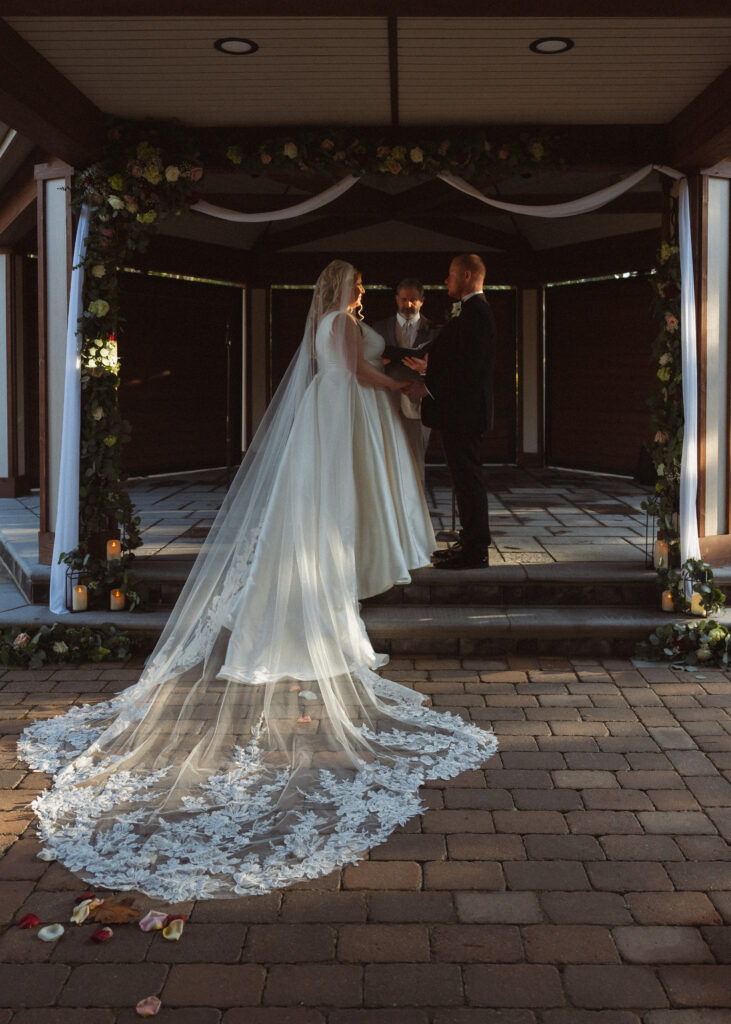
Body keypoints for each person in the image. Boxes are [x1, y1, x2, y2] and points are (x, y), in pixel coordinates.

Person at [19, 260, 496, 901]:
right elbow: (358, 373)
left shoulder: (334, 321)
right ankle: (333, 578)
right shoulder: (344, 324)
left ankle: (333, 567)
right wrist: (402, 389)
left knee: (327, 503)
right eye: (357, 283)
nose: (363, 291)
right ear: (342, 286)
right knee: (338, 502)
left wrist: (405, 381)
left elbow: (357, 367)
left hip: (330, 415)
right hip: (345, 410)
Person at [405, 254, 496, 570]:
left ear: (467, 276)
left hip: (465, 413)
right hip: (460, 412)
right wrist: (430, 366)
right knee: (463, 478)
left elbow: (469, 371)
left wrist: (427, 387)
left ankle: (476, 550)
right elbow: (460, 360)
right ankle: (468, 541)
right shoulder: (470, 313)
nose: (446, 281)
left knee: (468, 479)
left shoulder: (477, 314)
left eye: (450, 275)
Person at [372, 278, 436, 485]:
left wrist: (426, 368)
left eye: (413, 300)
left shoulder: (435, 329)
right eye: (404, 299)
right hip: (385, 400)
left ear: (422, 300)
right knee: (384, 458)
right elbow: (365, 362)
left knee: (415, 459)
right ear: (396, 299)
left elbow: (446, 367)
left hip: (416, 402)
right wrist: (381, 362)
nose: (408, 304)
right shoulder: (379, 328)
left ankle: (416, 510)